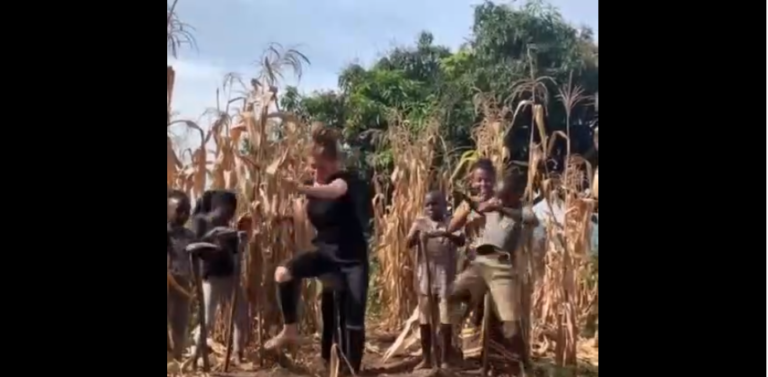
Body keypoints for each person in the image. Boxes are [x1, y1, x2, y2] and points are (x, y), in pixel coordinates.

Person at [265, 125, 369, 375]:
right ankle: (290, 329)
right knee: (283, 273)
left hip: (353, 259)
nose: (316, 172)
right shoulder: (312, 184)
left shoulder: (345, 180)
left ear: (334, 163)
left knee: (353, 319)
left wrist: (300, 189)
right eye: (312, 166)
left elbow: (335, 192)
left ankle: (351, 369)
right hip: (325, 254)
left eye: (321, 167)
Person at [447, 160, 538, 371]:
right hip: (477, 265)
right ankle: (469, 355)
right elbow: (453, 227)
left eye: (487, 180)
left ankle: (517, 363)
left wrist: (499, 207)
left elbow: (531, 220)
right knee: (459, 300)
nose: (483, 185)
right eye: (479, 180)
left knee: (507, 323)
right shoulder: (476, 203)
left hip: (502, 268)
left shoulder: (513, 205)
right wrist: (468, 212)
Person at [406, 190, 464, 370]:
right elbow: (408, 242)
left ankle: (445, 359)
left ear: (444, 204)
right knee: (425, 317)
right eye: (428, 204)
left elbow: (461, 240)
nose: (431, 207)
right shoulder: (420, 223)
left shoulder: (451, 222)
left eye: (435, 204)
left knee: (445, 316)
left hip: (446, 277)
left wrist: (447, 234)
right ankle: (427, 358)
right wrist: (416, 236)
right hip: (426, 277)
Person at [191, 189, 249, 363]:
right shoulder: (200, 221)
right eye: (227, 208)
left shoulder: (227, 226)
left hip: (230, 274)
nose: (229, 213)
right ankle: (196, 355)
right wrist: (212, 236)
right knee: (207, 319)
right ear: (217, 206)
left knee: (241, 316)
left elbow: (236, 251)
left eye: (231, 210)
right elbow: (195, 248)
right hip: (211, 276)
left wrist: (242, 241)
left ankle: (238, 353)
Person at [167, 189, 195, 361]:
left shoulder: (190, 236)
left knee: (179, 323)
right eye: (178, 210)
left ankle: (176, 360)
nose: (183, 214)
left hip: (182, 282)